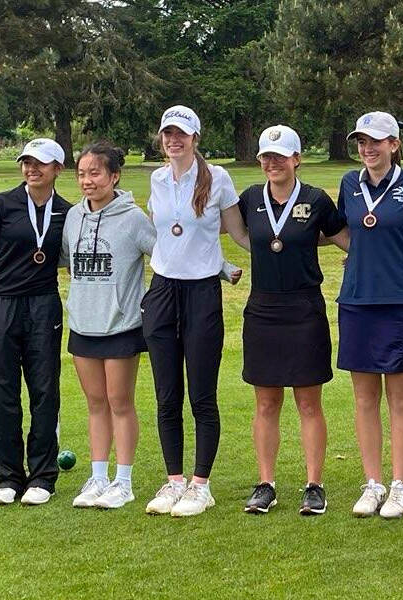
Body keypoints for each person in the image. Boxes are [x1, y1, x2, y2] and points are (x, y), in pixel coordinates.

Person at [142, 105, 249, 517]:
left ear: (195, 139)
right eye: (168, 133)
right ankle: (173, 482)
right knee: (167, 395)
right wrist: (220, 263)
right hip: (163, 292)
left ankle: (201, 485)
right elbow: (168, 238)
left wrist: (282, 252)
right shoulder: (155, 177)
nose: (173, 140)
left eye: (181, 134)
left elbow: (236, 231)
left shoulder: (217, 178)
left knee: (201, 395)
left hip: (202, 294)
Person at [237, 125, 349, 515]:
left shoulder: (317, 199)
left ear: (296, 159)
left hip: (304, 310)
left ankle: (314, 484)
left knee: (308, 403)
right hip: (262, 310)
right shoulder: (250, 198)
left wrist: (365, 261)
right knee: (266, 403)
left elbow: (344, 237)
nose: (272, 163)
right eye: (266, 156)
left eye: (280, 156)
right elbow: (226, 229)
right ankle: (265, 483)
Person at [336, 111, 403, 519]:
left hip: (400, 302)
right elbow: (344, 229)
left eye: (376, 141)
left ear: (394, 144)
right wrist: (358, 255)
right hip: (357, 301)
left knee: (399, 399)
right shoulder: (349, 184)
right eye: (361, 142)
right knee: (364, 398)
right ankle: (373, 483)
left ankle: (399, 486)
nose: (367, 149)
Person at [0, 138, 71, 506]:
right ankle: (6, 478)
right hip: (0, 307)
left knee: (45, 392)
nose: (32, 169)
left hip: (43, 307)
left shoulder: (67, 212)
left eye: (40, 163)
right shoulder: (2, 205)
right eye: (26, 162)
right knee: (1, 394)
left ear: (57, 168)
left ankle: (42, 477)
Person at [61, 142, 155, 509]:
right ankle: (98, 477)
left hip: (122, 325)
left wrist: (224, 269)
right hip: (83, 323)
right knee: (95, 403)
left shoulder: (133, 219)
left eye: (95, 173)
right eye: (82, 174)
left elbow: (167, 254)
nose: (87, 181)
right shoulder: (73, 217)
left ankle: (124, 481)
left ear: (114, 176)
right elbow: (68, 261)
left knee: (120, 402)